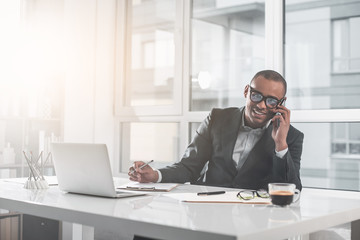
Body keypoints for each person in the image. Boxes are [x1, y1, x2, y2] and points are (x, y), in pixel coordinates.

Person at [129, 70, 304, 191]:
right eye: (256, 95)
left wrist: (280, 144)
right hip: (206, 207)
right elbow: (189, 167)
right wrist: (155, 175)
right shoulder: (217, 119)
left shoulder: (292, 137)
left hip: (254, 218)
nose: (261, 105)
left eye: (272, 101)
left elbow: (291, 189)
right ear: (246, 91)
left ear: (281, 103)